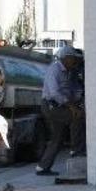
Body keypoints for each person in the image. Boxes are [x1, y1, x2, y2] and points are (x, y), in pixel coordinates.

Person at [36, 46, 85, 176]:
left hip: (61, 106)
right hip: (51, 106)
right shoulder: (55, 69)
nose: (75, 62)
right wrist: (72, 106)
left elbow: (74, 90)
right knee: (77, 117)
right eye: (73, 59)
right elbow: (54, 93)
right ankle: (76, 150)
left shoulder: (70, 71)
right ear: (66, 58)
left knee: (57, 138)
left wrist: (79, 100)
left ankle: (42, 167)